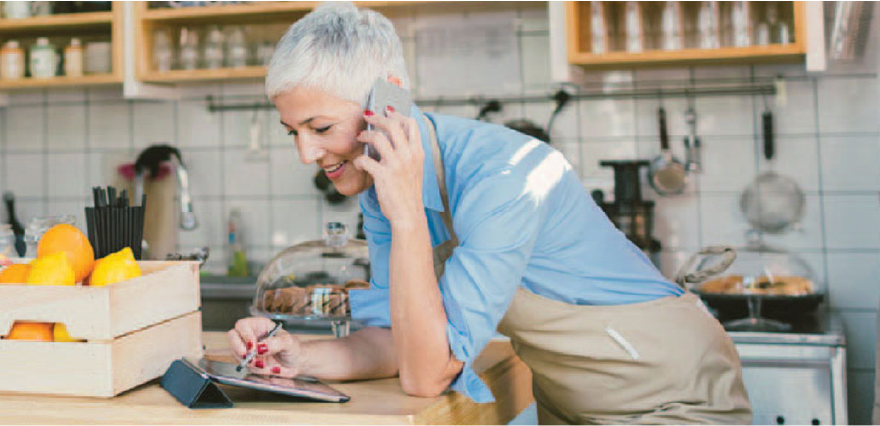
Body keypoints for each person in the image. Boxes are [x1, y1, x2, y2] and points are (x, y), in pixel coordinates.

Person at [226, 3, 752, 424]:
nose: (306, 155)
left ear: (388, 102)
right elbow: (395, 340)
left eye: (319, 128)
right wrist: (299, 357)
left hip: (672, 399)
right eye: (292, 131)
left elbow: (427, 375)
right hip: (573, 407)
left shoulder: (505, 178)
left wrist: (407, 213)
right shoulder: (381, 187)